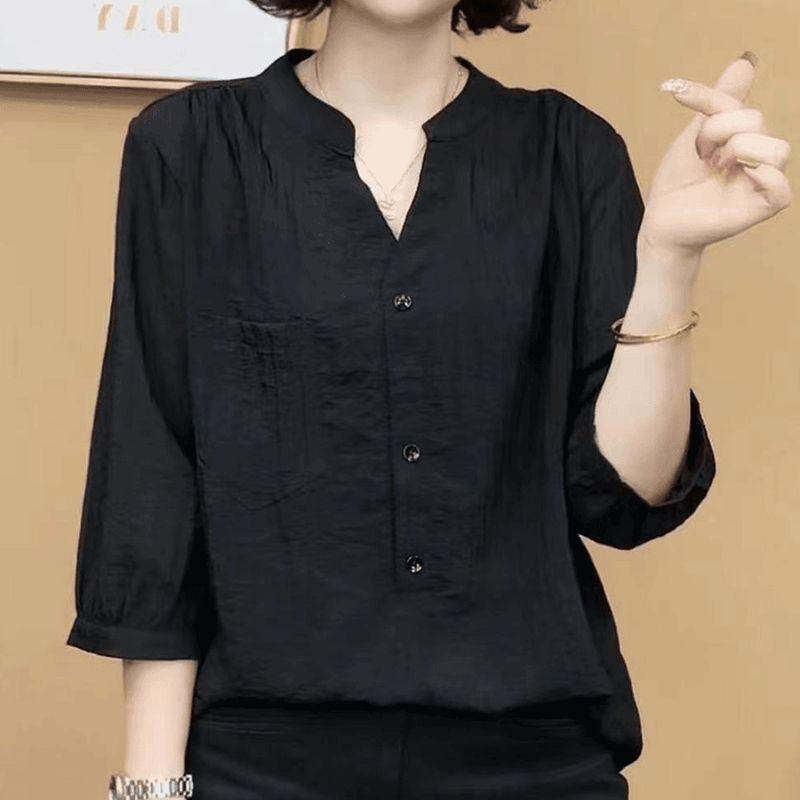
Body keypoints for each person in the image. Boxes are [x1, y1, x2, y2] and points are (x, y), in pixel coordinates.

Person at [66, 0, 792, 797]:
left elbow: (621, 496)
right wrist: (152, 787)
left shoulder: (569, 149)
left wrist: (669, 260)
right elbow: (152, 470)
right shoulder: (191, 144)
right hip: (261, 757)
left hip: (533, 755)